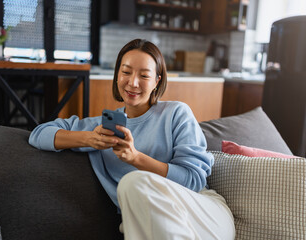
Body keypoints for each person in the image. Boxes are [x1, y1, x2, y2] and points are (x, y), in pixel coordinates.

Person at [29, 39, 235, 239]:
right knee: (134, 205)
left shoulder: (176, 114)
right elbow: (38, 134)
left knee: (132, 183)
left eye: (144, 75)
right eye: (126, 72)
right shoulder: (100, 128)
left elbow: (193, 181)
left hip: (203, 214)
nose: (132, 82)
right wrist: (89, 139)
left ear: (157, 81)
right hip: (148, 222)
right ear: (117, 75)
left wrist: (136, 158)